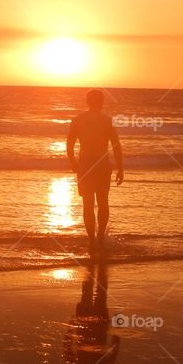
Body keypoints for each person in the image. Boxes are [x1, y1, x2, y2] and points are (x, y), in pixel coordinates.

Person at [67, 89, 123, 256]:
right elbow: (116, 145)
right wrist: (120, 168)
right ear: (102, 102)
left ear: (87, 102)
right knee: (103, 202)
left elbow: (69, 143)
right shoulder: (107, 121)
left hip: (85, 163)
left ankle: (92, 241)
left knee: (88, 204)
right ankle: (99, 239)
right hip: (102, 164)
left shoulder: (77, 120)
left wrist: (72, 162)